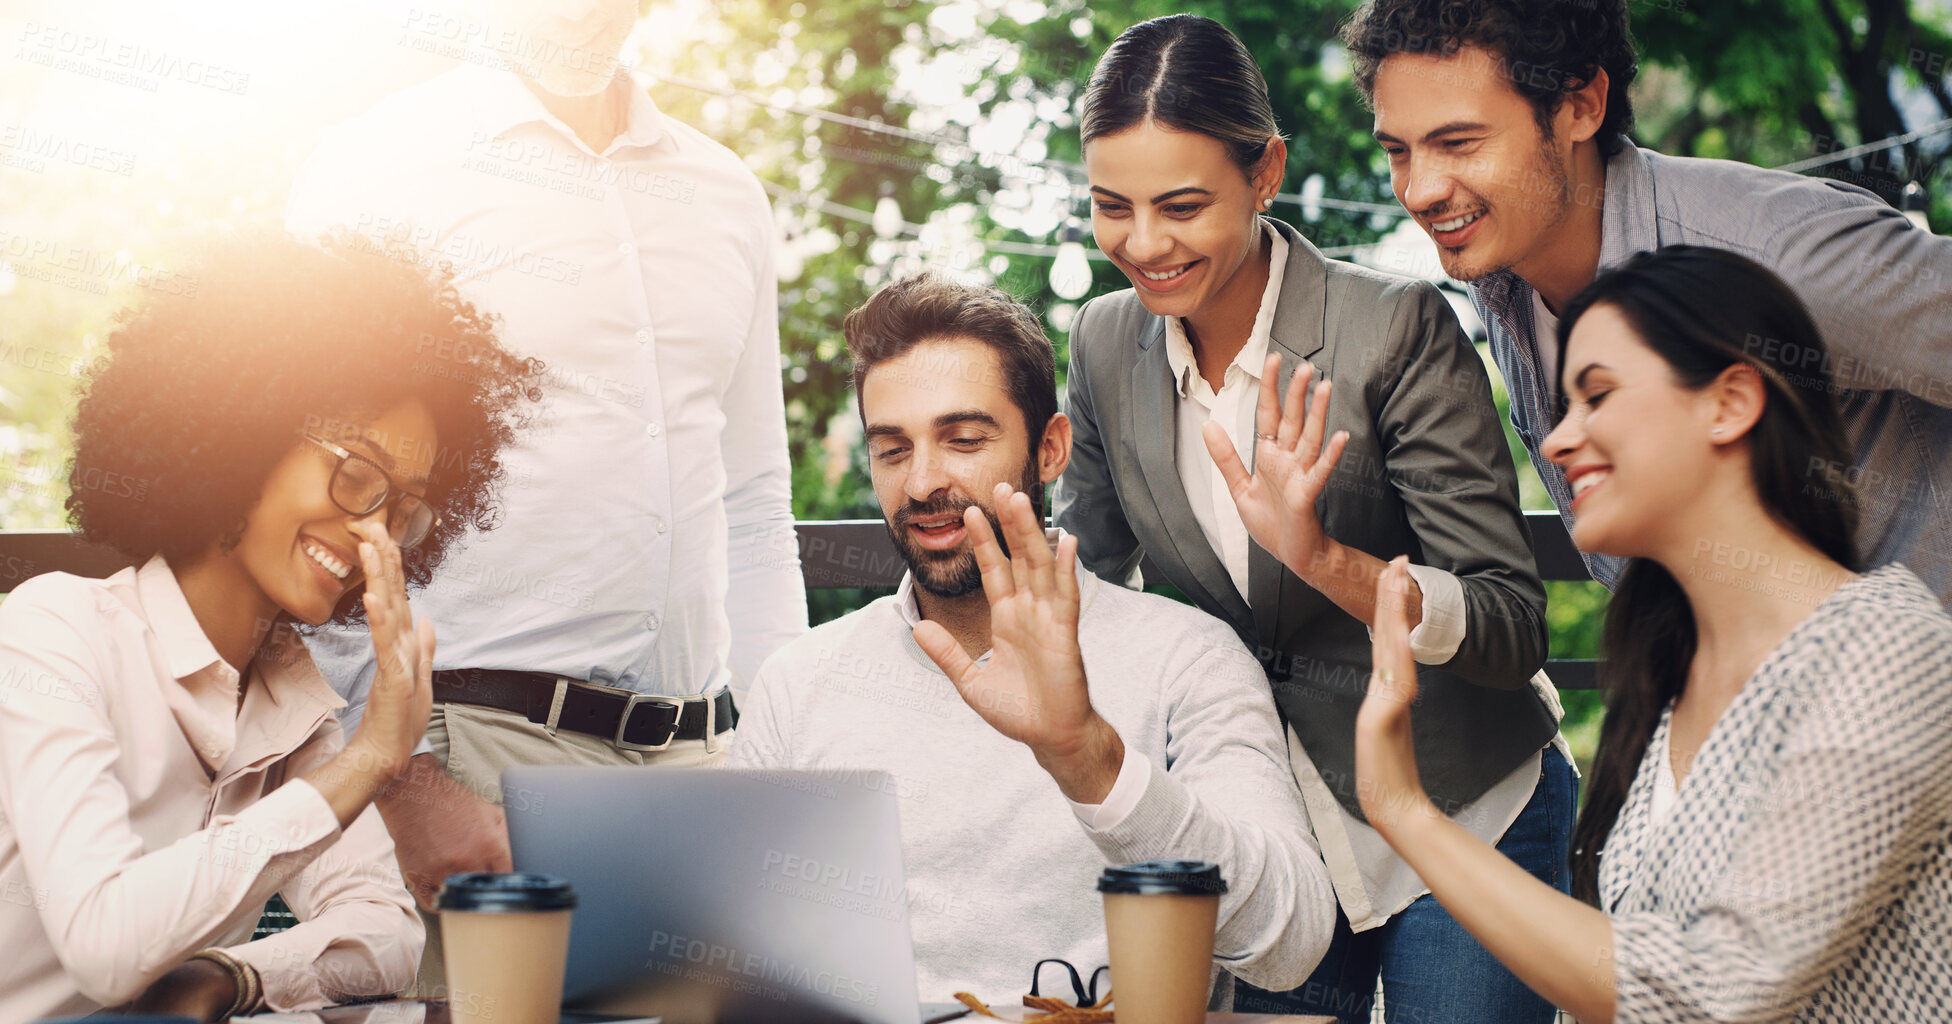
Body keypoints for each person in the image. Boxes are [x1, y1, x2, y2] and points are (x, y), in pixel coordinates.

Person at [1051, 15, 1569, 1022]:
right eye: (1111, 207)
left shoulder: (1393, 329)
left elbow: (1510, 624)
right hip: (1272, 842)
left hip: (1462, 813)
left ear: (1265, 175)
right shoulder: (1104, 343)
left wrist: (1324, 557)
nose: (1143, 245)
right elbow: (1094, 590)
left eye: (1181, 205)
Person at [284, 0, 808, 987]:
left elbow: (748, 499)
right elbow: (301, 503)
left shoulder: (727, 192)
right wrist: (397, 777)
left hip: (704, 762)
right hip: (475, 753)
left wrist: (779, 764)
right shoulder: (377, 164)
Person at [1352, 245, 1952, 1021]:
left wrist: (1405, 811)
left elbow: (1710, 991)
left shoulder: (1885, 652)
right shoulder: (1682, 675)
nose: (1560, 440)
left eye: (1597, 395)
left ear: (1730, 401)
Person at [728, 273, 1336, 1005]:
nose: (922, 483)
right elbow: (735, 961)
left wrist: (1091, 761)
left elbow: (1291, 942)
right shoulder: (800, 682)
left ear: (1050, 450)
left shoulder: (1187, 658)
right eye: (892, 450)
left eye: (962, 440)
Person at [0, 231, 539, 1022]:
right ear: (243, 439)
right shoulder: (53, 633)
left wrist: (230, 976)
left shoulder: (289, 698)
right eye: (356, 473)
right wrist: (369, 762)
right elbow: (104, 945)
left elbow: (385, 927)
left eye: (401, 507)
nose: (373, 532)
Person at [1342, 0, 1952, 604]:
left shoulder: (1768, 248)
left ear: (1581, 105)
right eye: (1398, 151)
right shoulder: (1509, 285)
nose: (1419, 190)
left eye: (1459, 142)